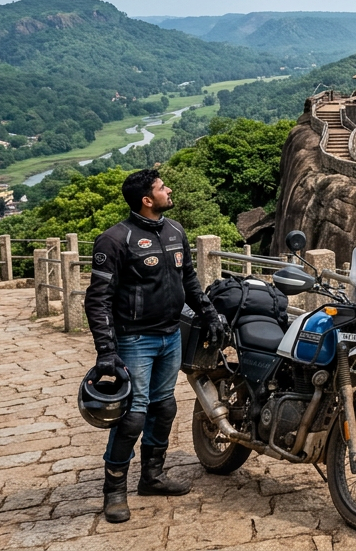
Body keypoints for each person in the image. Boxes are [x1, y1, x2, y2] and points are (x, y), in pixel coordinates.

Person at [84, 168, 227, 523]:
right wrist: (106, 351)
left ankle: (152, 477)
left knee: (164, 408)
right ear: (147, 200)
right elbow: (98, 300)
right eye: (163, 188)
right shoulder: (114, 240)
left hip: (171, 335)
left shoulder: (175, 230)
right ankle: (114, 491)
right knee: (132, 415)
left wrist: (209, 313)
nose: (169, 190)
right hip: (135, 339)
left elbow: (189, 280)